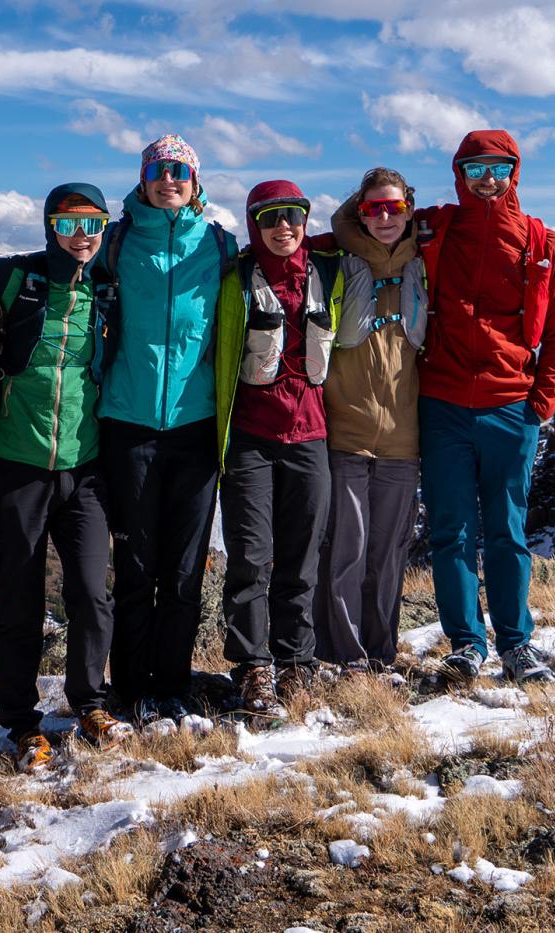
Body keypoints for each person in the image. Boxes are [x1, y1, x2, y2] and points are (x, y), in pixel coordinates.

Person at [0, 184, 133, 771]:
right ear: (49, 227)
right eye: (70, 224)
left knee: (92, 593)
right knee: (18, 601)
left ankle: (89, 702)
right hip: (17, 465)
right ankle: (20, 722)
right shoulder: (16, 278)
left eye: (93, 223)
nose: (83, 235)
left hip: (84, 468)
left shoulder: (106, 288)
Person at [414, 129, 555, 685]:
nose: (487, 179)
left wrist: (542, 403)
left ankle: (516, 644)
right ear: (459, 173)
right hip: (442, 402)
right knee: (450, 529)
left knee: (507, 530)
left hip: (511, 407)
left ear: (515, 174)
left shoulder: (542, 244)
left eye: (498, 170)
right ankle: (465, 643)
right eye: (476, 168)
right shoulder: (433, 229)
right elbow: (359, 227)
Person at [98, 134, 236, 726]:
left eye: (180, 170)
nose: (169, 178)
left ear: (196, 180)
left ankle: (173, 684)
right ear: (143, 178)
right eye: (158, 169)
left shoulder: (220, 244)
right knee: (135, 565)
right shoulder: (117, 241)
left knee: (183, 568)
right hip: (127, 424)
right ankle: (129, 688)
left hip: (195, 427)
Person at [214, 180, 339, 719]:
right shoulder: (234, 278)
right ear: (252, 224)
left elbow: (372, 221)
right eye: (270, 218)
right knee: (251, 557)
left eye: (293, 215)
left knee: (302, 555)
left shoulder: (330, 270)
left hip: (310, 436)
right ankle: (253, 668)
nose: (283, 226)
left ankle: (296, 662)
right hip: (249, 437)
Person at [313, 168, 428, 675]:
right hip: (348, 429)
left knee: (388, 553)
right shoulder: (333, 259)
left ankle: (381, 653)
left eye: (395, 208)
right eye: (374, 208)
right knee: (346, 550)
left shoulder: (425, 262)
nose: (385, 217)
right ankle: (343, 654)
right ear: (359, 210)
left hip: (404, 435)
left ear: (409, 210)